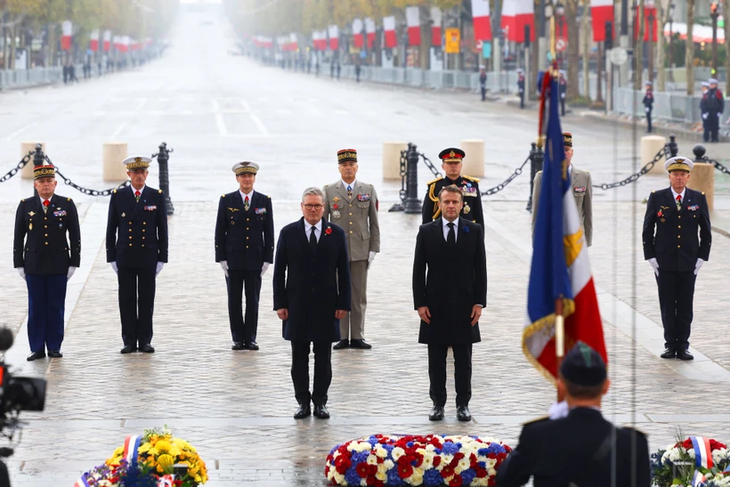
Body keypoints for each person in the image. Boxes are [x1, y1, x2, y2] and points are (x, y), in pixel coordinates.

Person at [495, 342, 651, 487]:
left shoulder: (537, 435)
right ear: (606, 386)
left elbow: (505, 479)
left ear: (561, 386)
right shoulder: (633, 443)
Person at [273, 187, 351, 420]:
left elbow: (344, 272)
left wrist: (343, 303)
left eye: (317, 205)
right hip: (296, 305)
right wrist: (280, 304)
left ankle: (320, 402)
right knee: (299, 357)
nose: (313, 209)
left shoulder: (335, 233)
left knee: (323, 357)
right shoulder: (288, 233)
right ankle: (302, 402)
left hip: (327, 306)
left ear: (323, 207)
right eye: (309, 205)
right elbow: (279, 272)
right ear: (302, 207)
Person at [413, 185, 487, 422]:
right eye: (446, 202)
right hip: (435, 305)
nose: (451, 206)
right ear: (440, 204)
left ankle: (463, 404)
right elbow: (418, 270)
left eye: (455, 202)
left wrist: (479, 302)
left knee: (464, 359)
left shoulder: (473, 230)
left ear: (461, 204)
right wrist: (420, 303)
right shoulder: (426, 231)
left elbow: (481, 269)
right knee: (436, 359)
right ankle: (437, 403)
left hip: (465, 305)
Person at [642, 156, 711, 361]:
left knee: (685, 304)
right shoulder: (657, 197)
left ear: (688, 177)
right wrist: (651, 256)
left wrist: (702, 257)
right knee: (667, 304)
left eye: (682, 174)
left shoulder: (698, 198)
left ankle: (683, 345)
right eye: (675, 174)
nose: (679, 178)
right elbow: (647, 229)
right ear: (669, 176)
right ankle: (670, 344)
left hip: (689, 261)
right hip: (664, 260)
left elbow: (705, 231)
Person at [13, 164, 80, 361]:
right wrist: (19, 263)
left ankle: (54, 346)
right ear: (35, 184)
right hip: (34, 265)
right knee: (36, 307)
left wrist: (73, 262)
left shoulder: (66, 204)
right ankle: (36, 347)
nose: (45, 185)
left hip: (59, 264)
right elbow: (18, 237)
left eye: (49, 182)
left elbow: (75, 236)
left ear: (55, 183)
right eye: (41, 182)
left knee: (56, 306)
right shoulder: (26, 205)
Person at [106, 156, 168, 354]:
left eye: (143, 172)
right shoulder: (118, 196)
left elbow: (162, 229)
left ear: (147, 174)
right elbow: (111, 229)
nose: (139, 176)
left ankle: (145, 340)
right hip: (125, 255)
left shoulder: (156, 195)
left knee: (146, 299)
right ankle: (129, 340)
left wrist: (162, 257)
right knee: (126, 299)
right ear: (129, 174)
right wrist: (112, 257)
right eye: (135, 173)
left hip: (148, 255)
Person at [323, 149, 380, 350]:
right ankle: (341, 335)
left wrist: (374, 248)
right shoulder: (329, 190)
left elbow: (374, 221)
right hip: (337, 251)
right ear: (339, 168)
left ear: (357, 167)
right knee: (338, 292)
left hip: (360, 249)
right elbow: (324, 223)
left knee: (358, 295)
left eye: (351, 165)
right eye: (344, 165)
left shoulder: (368, 189)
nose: (348, 168)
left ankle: (357, 335)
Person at [215, 161, 274, 351]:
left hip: (255, 259)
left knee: (253, 300)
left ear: (254, 178)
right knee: (234, 300)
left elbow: (269, 232)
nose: (247, 179)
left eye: (250, 176)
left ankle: (251, 337)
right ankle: (237, 338)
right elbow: (220, 230)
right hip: (233, 259)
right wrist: (221, 258)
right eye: (243, 176)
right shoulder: (227, 200)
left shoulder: (264, 200)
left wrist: (268, 258)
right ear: (237, 178)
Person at [531, 133, 593, 247]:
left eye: (566, 149)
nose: (564, 153)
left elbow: (588, 213)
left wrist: (587, 242)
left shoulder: (584, 177)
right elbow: (536, 214)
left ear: (572, 152)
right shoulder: (542, 178)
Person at [422, 148, 484, 227]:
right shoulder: (435, 187)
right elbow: (427, 216)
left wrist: (480, 237)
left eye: (456, 163)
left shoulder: (472, 185)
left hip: (467, 231)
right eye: (449, 163)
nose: (453, 166)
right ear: (443, 166)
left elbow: (479, 214)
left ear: (461, 165)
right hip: (441, 231)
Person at [703, 78, 724, 142]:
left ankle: (715, 138)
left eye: (712, 84)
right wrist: (705, 112)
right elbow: (704, 102)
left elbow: (721, 102)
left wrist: (720, 111)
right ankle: (707, 138)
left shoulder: (718, 92)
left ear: (715, 85)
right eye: (710, 84)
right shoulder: (707, 92)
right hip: (708, 111)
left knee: (715, 126)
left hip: (715, 111)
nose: (711, 85)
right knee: (708, 125)